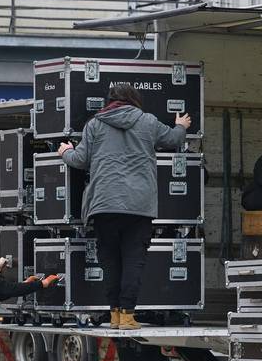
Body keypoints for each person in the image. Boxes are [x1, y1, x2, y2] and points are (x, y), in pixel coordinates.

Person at [58, 83, 191, 330]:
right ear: (135, 99)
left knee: (110, 261)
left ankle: (115, 315)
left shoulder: (95, 124)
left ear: (110, 101)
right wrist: (181, 125)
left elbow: (80, 160)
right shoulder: (148, 121)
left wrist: (65, 151)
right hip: (139, 207)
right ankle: (128, 315)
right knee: (133, 260)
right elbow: (172, 139)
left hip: (105, 204)